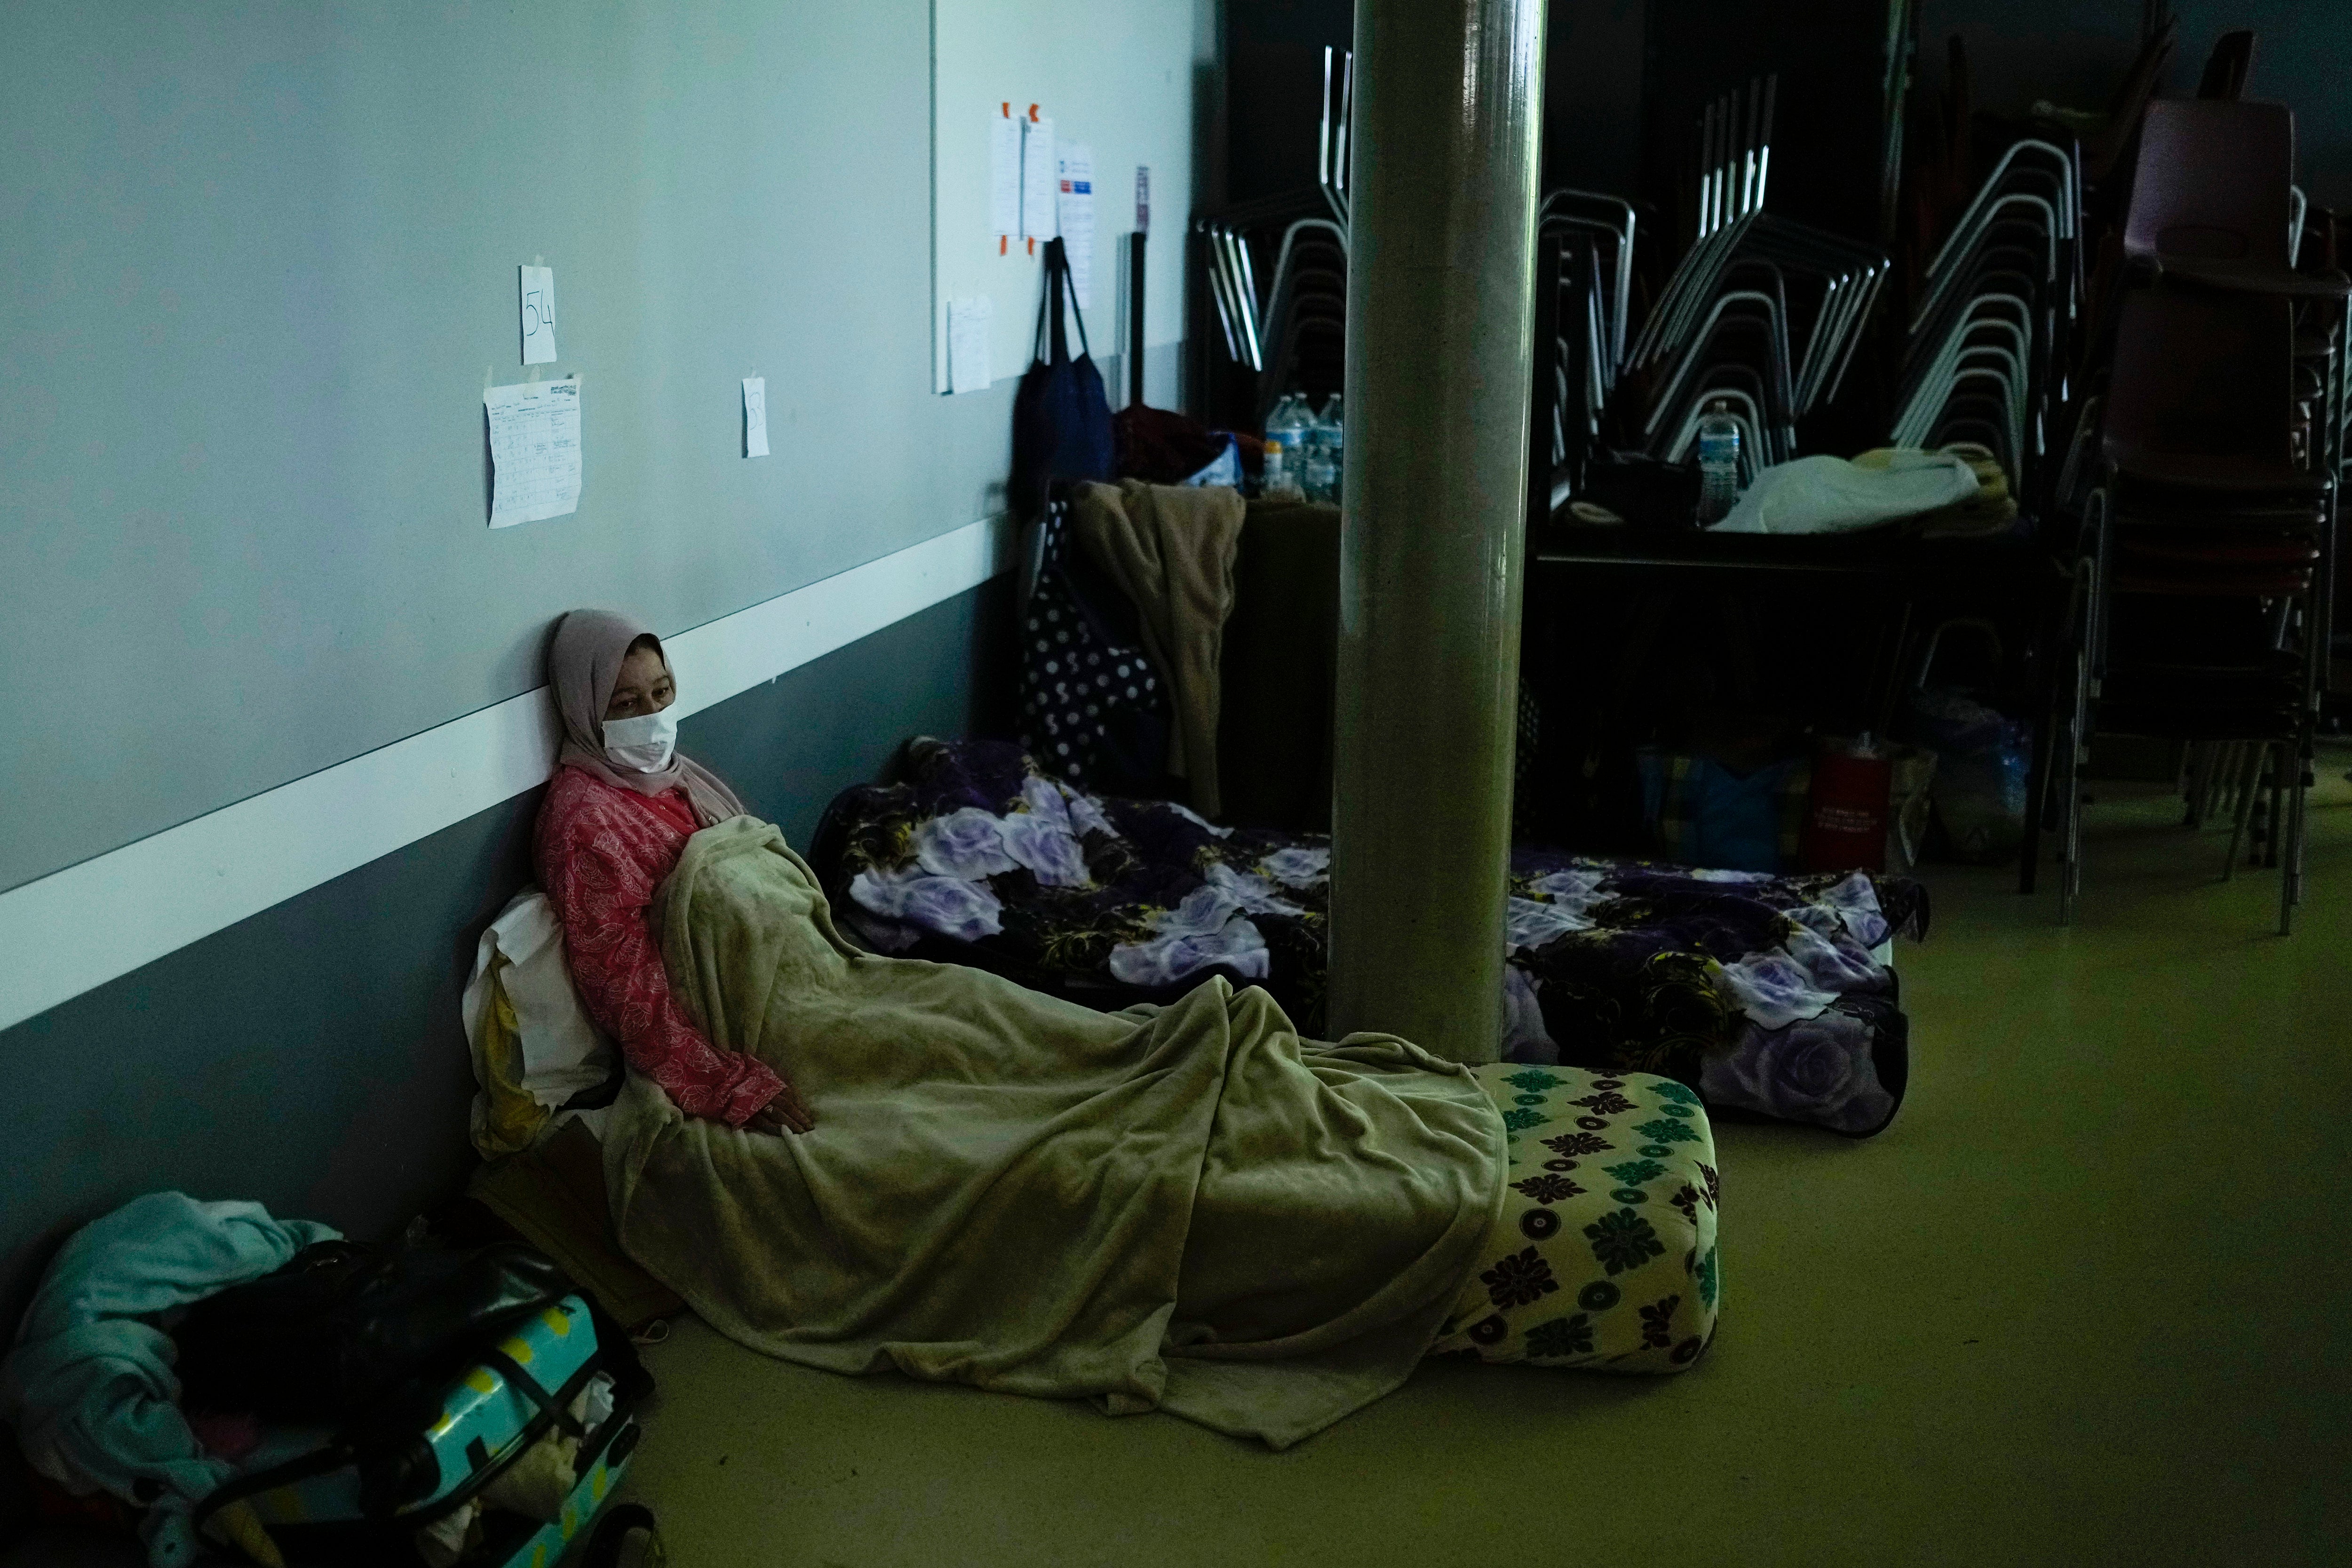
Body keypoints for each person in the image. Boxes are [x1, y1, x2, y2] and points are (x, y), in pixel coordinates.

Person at [533, 609, 816, 1135]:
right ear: (584, 709)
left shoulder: (677, 779)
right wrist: (727, 1085)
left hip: (800, 973)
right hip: (735, 1020)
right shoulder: (585, 822)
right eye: (625, 704)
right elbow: (625, 988)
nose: (654, 715)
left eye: (662, 693)